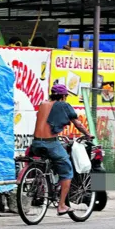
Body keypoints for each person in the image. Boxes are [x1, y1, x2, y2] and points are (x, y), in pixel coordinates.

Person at [31, 83, 92, 216]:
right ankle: (62, 205)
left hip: (35, 143)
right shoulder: (63, 105)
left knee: (53, 159)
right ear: (64, 96)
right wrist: (88, 134)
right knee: (67, 170)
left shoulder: (43, 104)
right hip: (50, 143)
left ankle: (49, 185)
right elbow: (78, 123)